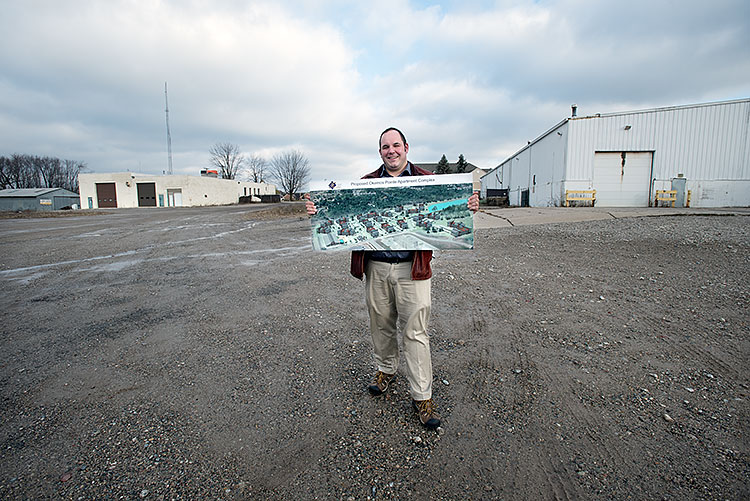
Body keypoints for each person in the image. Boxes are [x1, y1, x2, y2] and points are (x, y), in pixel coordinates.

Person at [306, 127, 479, 429]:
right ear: (380, 152)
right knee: (381, 326)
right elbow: (335, 212)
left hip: (413, 270)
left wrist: (468, 206)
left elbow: (449, 212)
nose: (391, 151)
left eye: (396, 145)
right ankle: (386, 370)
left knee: (416, 332)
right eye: (385, 147)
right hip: (376, 268)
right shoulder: (365, 184)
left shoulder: (428, 181)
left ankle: (422, 395)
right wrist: (317, 209)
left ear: (406, 148)